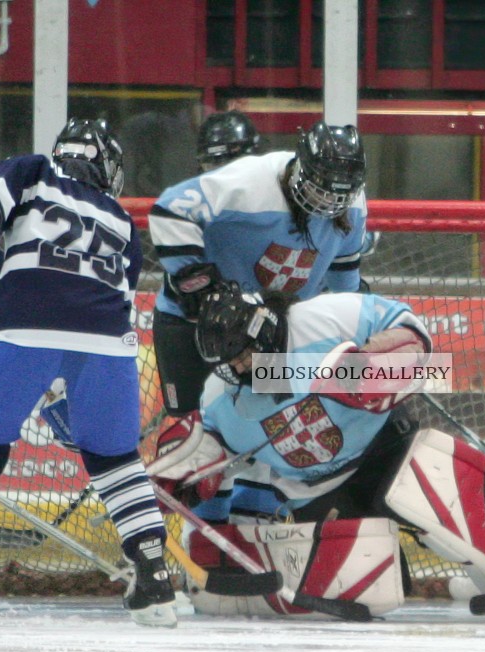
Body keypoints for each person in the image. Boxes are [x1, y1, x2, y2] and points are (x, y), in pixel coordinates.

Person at [148, 284, 485, 622]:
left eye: (243, 355)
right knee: (377, 585)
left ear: (261, 328)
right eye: (229, 364)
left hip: (391, 449)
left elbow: (418, 339)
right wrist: (177, 478)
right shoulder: (221, 396)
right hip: (318, 496)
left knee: (445, 484)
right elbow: (210, 454)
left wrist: (371, 369)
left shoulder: (324, 317)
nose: (239, 369)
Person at [0, 118, 177, 626]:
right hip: (107, 344)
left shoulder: (34, 173)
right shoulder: (123, 222)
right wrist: (66, 391)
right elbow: (95, 304)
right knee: (115, 460)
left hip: (23, 331)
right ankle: (155, 577)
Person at [148, 120, 368, 431]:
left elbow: (347, 284)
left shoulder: (352, 202)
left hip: (269, 336)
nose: (328, 205)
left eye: (338, 196)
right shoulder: (250, 180)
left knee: (267, 430)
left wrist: (356, 334)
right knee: (190, 431)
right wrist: (203, 290)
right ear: (300, 166)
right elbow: (169, 211)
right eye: (320, 190)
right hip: (192, 326)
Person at [196, 111, 262, 172]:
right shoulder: (196, 183)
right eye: (215, 164)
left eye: (230, 163)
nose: (221, 173)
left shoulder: (265, 179)